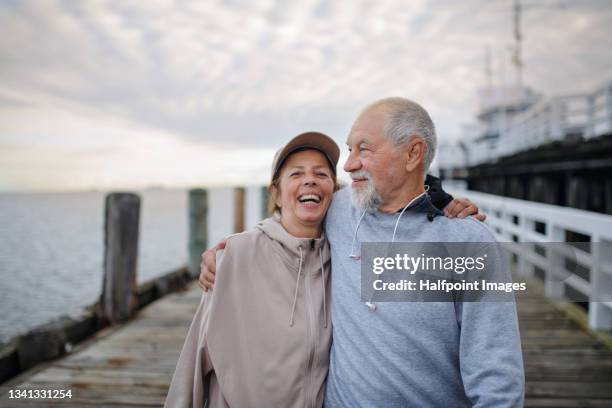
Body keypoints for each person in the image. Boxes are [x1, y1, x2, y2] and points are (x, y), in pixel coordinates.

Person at [200, 98, 525, 407]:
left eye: (364, 150)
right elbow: (290, 219)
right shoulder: (340, 210)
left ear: (413, 154)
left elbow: (497, 377)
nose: (349, 164)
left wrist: (442, 202)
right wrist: (230, 250)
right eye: (349, 149)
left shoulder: (467, 241)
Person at [165, 132, 339, 407]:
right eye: (296, 174)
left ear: (334, 191)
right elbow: (195, 356)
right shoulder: (235, 254)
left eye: (321, 173)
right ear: (276, 194)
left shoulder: (344, 259)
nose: (310, 180)